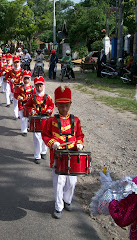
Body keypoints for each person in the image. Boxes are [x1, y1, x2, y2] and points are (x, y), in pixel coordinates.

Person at [42, 86, 84, 219]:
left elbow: (80, 135)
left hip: (72, 156)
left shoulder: (75, 120)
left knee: (72, 182)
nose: (64, 109)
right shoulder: (51, 121)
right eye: (61, 106)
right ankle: (58, 206)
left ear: (70, 105)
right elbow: (45, 136)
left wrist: (79, 144)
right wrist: (52, 143)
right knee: (59, 182)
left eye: (66, 106)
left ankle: (67, 200)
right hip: (58, 157)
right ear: (56, 105)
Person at [25, 76, 54, 164]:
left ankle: (44, 151)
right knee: (37, 138)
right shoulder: (32, 97)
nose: (39, 88)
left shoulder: (47, 96)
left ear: (43, 86)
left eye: (40, 86)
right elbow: (27, 106)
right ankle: (37, 155)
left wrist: (49, 110)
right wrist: (31, 110)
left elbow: (51, 105)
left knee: (45, 137)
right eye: (37, 86)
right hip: (36, 121)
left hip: (45, 121)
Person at [14, 70, 33, 137]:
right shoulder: (20, 87)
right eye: (25, 78)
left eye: (28, 78)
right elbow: (15, 94)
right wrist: (20, 98)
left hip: (30, 106)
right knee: (23, 118)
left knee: (29, 118)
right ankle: (24, 131)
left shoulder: (32, 88)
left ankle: (27, 127)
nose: (26, 80)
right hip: (22, 105)